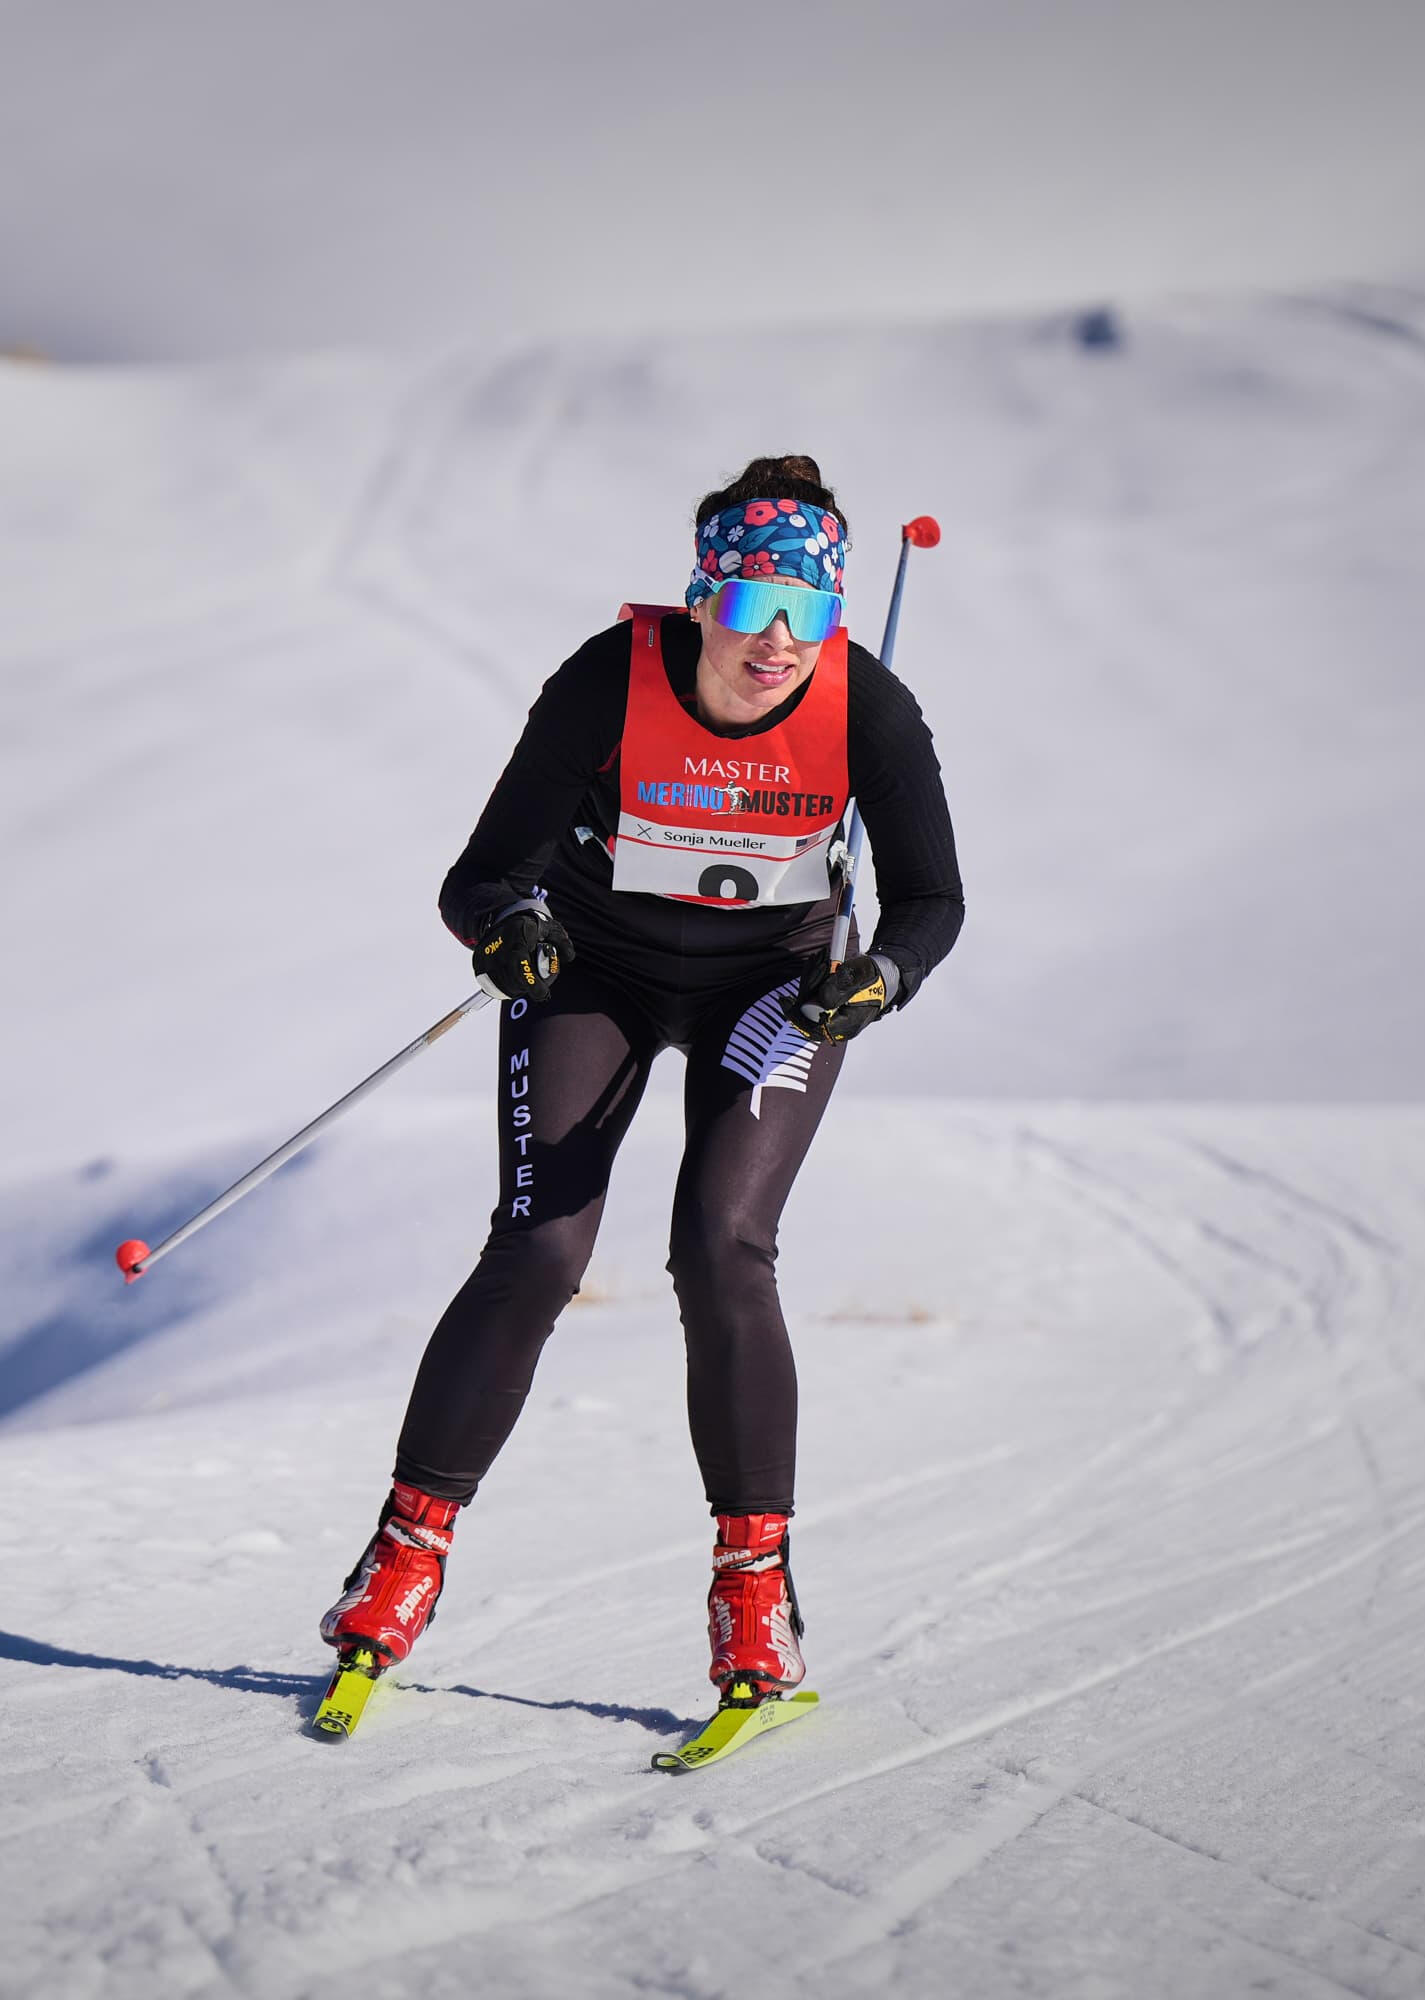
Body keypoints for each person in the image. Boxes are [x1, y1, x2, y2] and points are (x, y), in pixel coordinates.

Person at [319, 455, 964, 1704]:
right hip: (596, 971)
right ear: (701, 595)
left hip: (775, 987)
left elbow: (932, 899)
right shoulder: (607, 680)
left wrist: (882, 974)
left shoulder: (867, 708)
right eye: (752, 604)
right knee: (541, 1248)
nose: (778, 640)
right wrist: (507, 927)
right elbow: (480, 877)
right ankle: (405, 1551)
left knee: (722, 1247)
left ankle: (754, 1592)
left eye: (811, 610)